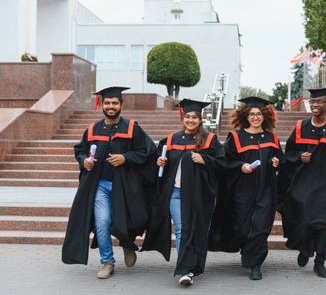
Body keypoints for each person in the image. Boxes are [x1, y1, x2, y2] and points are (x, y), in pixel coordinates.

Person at [62, 86, 157, 279]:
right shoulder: (92, 130)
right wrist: (84, 162)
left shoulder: (132, 128)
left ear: (121, 104)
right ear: (101, 105)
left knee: (131, 220)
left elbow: (147, 152)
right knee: (102, 222)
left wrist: (125, 158)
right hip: (101, 186)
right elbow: (80, 151)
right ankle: (107, 261)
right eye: (107, 103)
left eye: (115, 103)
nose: (111, 106)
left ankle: (127, 244)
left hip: (125, 186)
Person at [141, 99, 226, 286]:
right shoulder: (171, 140)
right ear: (183, 118)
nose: (190, 120)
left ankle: (195, 265)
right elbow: (160, 162)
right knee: (182, 230)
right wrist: (159, 163)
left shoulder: (209, 140)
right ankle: (185, 270)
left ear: (200, 119)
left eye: (194, 117)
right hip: (176, 193)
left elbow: (222, 164)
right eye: (187, 116)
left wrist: (205, 160)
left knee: (199, 231)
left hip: (201, 194)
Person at [278, 87, 326, 278]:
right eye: (312, 102)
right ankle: (305, 249)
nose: (315, 105)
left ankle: (320, 261)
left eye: (319, 101)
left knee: (323, 224)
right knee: (304, 220)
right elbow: (289, 152)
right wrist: (299, 157)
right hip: (303, 182)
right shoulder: (300, 126)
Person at [209, 97, 285, 280]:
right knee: (243, 228)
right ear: (246, 116)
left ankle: (255, 264)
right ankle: (246, 249)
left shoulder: (271, 138)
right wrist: (239, 166)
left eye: (259, 114)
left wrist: (276, 162)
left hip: (266, 190)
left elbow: (280, 159)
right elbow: (225, 161)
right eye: (252, 114)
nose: (256, 118)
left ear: (265, 116)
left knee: (260, 227)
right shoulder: (236, 137)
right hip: (242, 191)